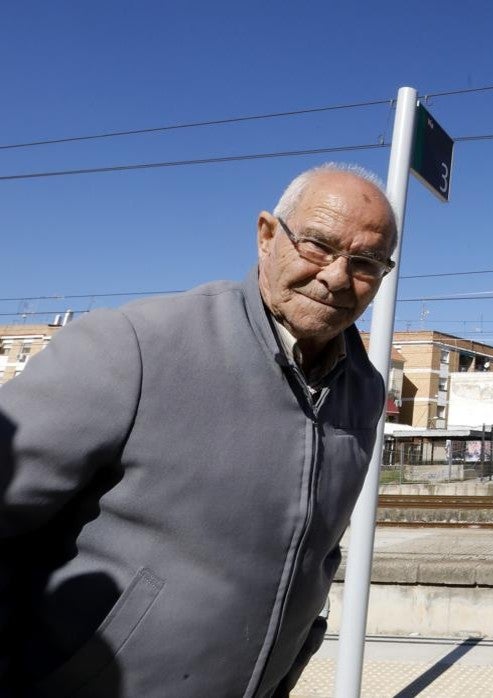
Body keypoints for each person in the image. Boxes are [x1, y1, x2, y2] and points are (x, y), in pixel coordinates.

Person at [0, 162, 397, 697]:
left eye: (366, 262)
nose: (336, 276)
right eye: (317, 245)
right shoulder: (134, 348)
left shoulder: (364, 391)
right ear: (266, 235)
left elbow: (315, 553)